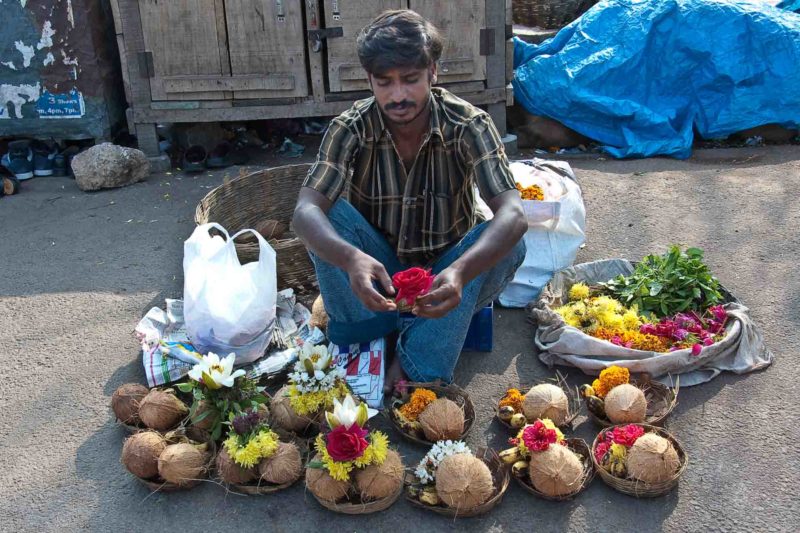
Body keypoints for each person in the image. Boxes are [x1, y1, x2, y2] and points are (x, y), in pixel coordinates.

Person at [293, 10, 526, 392]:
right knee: (328, 214)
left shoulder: (468, 124)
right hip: (378, 268)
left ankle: (407, 352)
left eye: (411, 80)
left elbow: (513, 214)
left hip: (444, 273)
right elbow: (304, 211)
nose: (398, 95)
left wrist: (461, 273)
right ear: (369, 79)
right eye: (384, 83)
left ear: (433, 72)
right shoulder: (350, 127)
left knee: (513, 241)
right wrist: (351, 259)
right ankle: (376, 335)